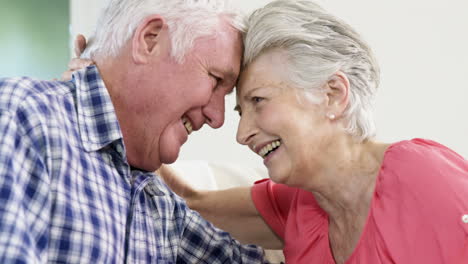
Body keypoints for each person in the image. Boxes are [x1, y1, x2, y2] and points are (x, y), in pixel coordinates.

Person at [159, 0, 468, 263]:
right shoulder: (297, 205)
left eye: (258, 100)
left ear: (332, 94)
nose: (242, 134)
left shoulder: (423, 178)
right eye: (242, 111)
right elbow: (188, 206)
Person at [0, 0, 267, 262]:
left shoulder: (157, 201)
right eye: (216, 79)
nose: (217, 117)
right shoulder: (24, 115)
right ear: (149, 40)